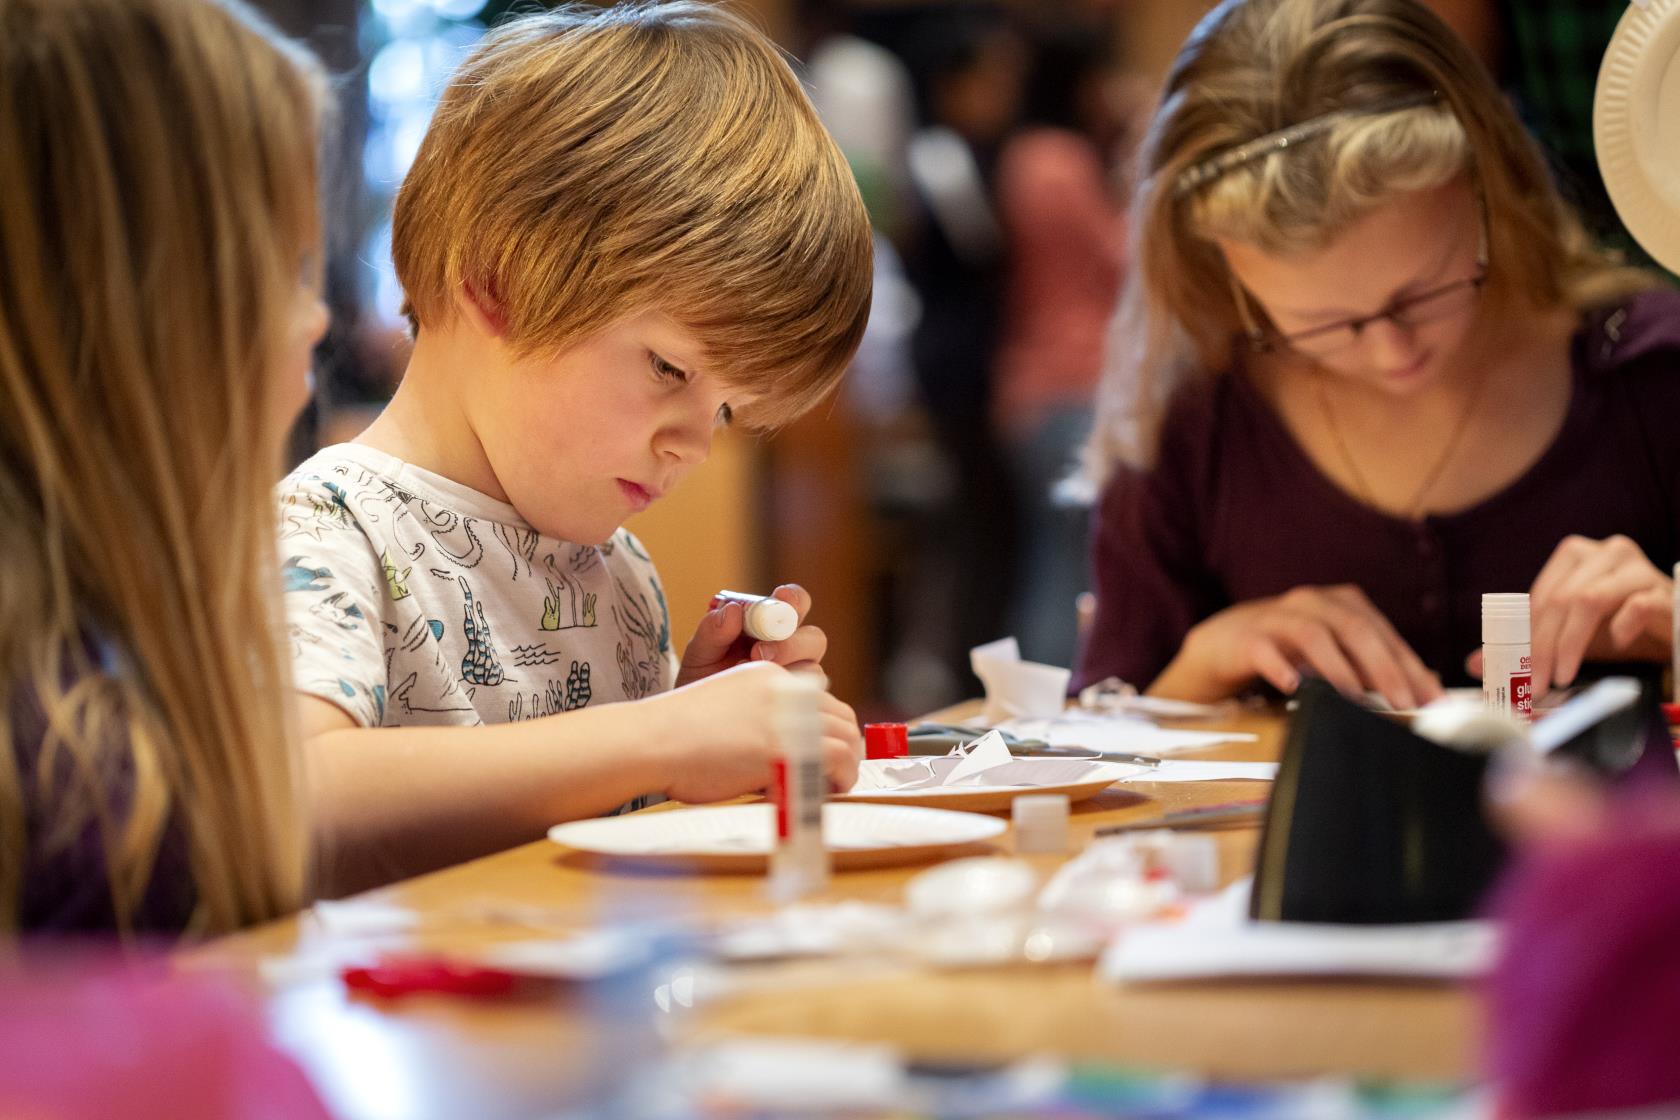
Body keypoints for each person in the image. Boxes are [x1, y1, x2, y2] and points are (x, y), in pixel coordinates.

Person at [279, 3, 874, 890]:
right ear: (498, 277)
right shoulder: (327, 530)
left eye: (725, 412)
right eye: (671, 371)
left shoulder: (616, 570)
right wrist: (661, 737)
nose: (692, 447)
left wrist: (694, 720)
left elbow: (584, 832)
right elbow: (298, 794)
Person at [1075, 0, 1679, 709]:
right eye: (1320, 324)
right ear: (1226, 280)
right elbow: (1097, 740)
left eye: (1423, 291)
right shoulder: (1191, 426)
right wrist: (1207, 664)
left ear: (1488, 190)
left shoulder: (1649, 371)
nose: (1394, 352)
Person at [0, 0, 328, 934]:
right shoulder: (73, 777)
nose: (318, 321)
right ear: (157, 306)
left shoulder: (98, 662)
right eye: (286, 268)